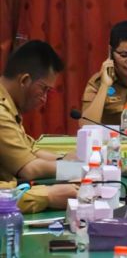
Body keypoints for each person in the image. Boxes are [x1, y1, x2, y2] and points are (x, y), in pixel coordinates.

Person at [0, 41, 78, 212]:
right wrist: (77, 170)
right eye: (44, 89)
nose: (44, 99)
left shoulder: (9, 105)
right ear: (25, 80)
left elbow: (30, 149)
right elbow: (29, 168)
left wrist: (64, 160)